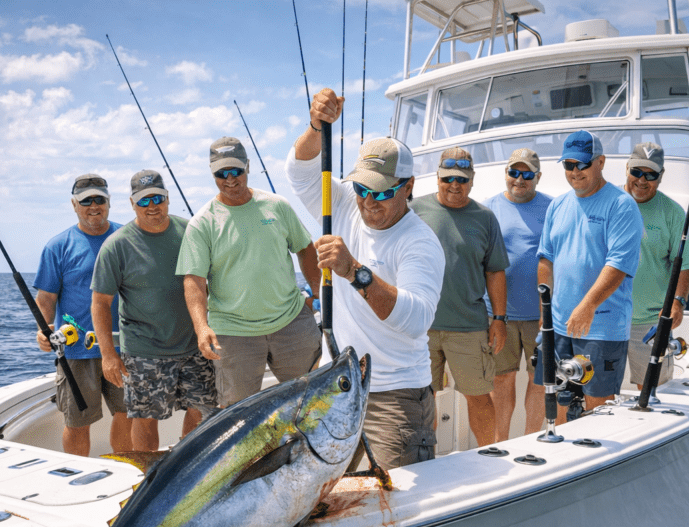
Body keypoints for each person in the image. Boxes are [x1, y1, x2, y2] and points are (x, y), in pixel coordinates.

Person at [286, 87, 444, 468]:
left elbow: (416, 319)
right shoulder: (342, 202)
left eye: (382, 191)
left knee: (400, 501)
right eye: (361, 188)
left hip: (394, 396)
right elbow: (300, 172)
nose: (368, 201)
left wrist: (355, 272)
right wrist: (315, 125)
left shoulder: (420, 242)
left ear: (408, 187)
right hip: (336, 386)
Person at [177, 137, 322, 407]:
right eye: (222, 173)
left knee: (314, 403)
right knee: (239, 414)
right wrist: (201, 327)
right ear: (212, 174)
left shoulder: (277, 205)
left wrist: (316, 292)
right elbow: (194, 280)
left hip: (291, 321)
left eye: (236, 171)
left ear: (248, 167)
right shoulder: (201, 223)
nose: (230, 179)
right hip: (233, 333)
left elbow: (305, 248)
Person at [90, 171, 218, 452]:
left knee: (203, 411)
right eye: (144, 200)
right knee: (145, 419)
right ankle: (149, 478)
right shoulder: (116, 245)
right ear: (132, 204)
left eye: (158, 198)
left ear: (168, 199)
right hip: (143, 352)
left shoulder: (191, 232)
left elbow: (216, 279)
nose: (152, 206)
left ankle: (186, 465)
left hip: (195, 346)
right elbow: (100, 303)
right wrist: (108, 354)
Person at [536, 131, 643, 419]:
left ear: (601, 162)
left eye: (582, 164)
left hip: (601, 327)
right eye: (568, 165)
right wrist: (544, 311)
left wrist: (588, 305)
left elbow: (618, 264)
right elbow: (546, 258)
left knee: (600, 407)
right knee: (555, 399)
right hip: (558, 326)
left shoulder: (622, 205)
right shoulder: (557, 205)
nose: (575, 172)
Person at [411, 147, 509, 447]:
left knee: (479, 397)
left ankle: (488, 456)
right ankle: (423, 459)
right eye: (449, 178)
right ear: (438, 176)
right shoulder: (413, 211)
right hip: (419, 328)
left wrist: (500, 319)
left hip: (469, 327)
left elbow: (495, 272)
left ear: (472, 180)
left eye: (462, 179)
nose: (455, 185)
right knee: (421, 400)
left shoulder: (485, 217)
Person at [33, 173, 132, 456]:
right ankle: (78, 477)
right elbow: (46, 298)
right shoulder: (57, 246)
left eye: (99, 199)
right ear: (74, 204)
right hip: (76, 351)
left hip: (123, 346)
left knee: (128, 415)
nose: (93, 206)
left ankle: (126, 470)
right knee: (77, 422)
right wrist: (42, 330)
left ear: (109, 203)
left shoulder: (128, 238)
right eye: (86, 200)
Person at [485, 148, 552, 440]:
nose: (519, 180)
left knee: (539, 380)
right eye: (514, 172)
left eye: (527, 174)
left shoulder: (553, 207)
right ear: (506, 174)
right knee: (501, 380)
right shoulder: (487, 210)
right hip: (499, 315)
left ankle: (530, 439)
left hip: (542, 315)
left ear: (538, 177)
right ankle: (501, 441)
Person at [623, 143, 689, 389]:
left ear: (661, 176)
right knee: (598, 392)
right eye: (636, 172)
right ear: (627, 169)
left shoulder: (673, 213)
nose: (642, 180)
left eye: (651, 174)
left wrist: (678, 302)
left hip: (650, 321)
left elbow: (686, 264)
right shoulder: (609, 202)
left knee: (652, 391)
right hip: (607, 317)